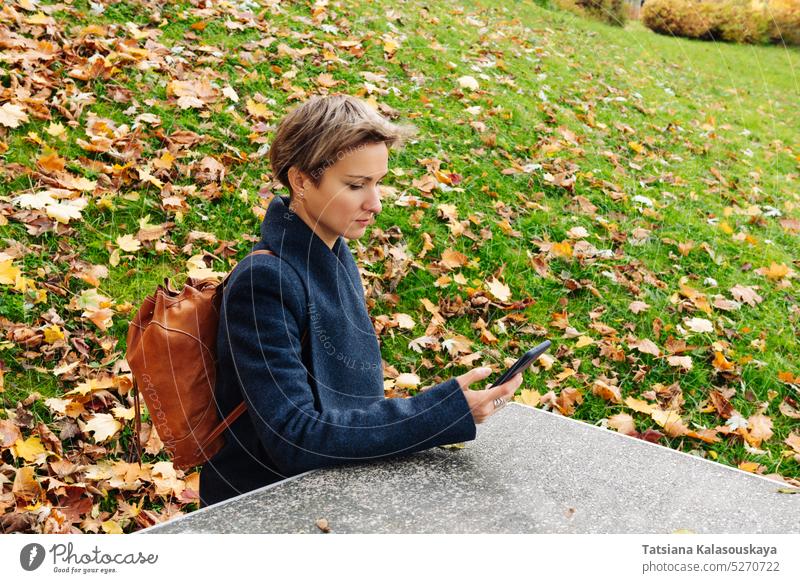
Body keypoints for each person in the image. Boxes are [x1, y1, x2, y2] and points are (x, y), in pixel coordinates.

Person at [198, 94, 524, 508]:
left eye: (378, 182)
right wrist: (438, 413)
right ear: (300, 180)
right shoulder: (265, 282)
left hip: (333, 487)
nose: (376, 203)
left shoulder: (333, 251)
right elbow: (293, 435)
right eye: (356, 185)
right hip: (263, 506)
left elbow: (348, 403)